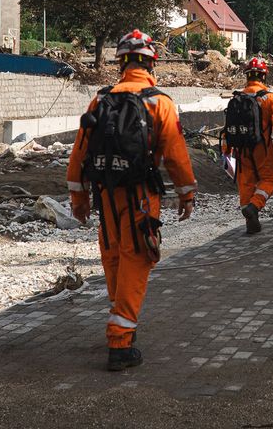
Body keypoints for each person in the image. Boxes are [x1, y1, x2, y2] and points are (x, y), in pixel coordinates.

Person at [66, 29, 197, 371]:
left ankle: (120, 314)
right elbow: (176, 156)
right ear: (152, 63)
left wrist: (78, 201)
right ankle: (120, 340)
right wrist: (187, 194)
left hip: (105, 193)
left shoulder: (100, 100)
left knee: (113, 256)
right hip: (141, 195)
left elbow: (79, 154)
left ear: (121, 62)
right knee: (137, 259)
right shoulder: (160, 102)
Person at [222, 56, 273, 234]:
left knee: (246, 183)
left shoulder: (237, 98)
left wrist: (226, 151)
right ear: (264, 76)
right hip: (263, 147)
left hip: (241, 148)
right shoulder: (270, 98)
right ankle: (254, 207)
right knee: (271, 177)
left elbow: (227, 128)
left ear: (247, 76)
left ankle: (250, 221)